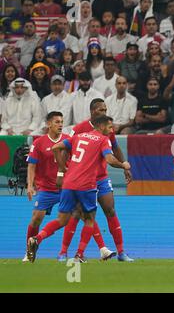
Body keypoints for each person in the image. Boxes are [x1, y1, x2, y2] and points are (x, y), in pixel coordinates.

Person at [26, 115, 131, 263]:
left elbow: (56, 147)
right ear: (100, 127)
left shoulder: (79, 136)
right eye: (109, 127)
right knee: (89, 219)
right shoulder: (102, 140)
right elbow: (109, 159)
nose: (111, 130)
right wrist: (123, 165)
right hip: (86, 184)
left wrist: (62, 168)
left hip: (69, 183)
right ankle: (79, 255)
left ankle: (37, 238)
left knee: (62, 219)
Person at [57, 99, 134, 262]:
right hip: (82, 180)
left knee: (110, 211)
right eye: (101, 109)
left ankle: (121, 252)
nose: (104, 112)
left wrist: (125, 167)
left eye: (106, 109)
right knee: (77, 214)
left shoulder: (107, 129)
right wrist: (63, 171)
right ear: (92, 111)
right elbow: (64, 150)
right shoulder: (78, 129)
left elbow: (115, 148)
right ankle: (64, 252)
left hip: (101, 178)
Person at [23, 112, 71, 262]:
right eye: (57, 122)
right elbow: (31, 165)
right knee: (37, 218)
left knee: (80, 216)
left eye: (62, 122)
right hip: (46, 188)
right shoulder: (39, 142)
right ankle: (29, 251)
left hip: (66, 187)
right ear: (49, 124)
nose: (60, 125)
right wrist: (30, 186)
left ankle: (75, 253)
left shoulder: (68, 140)